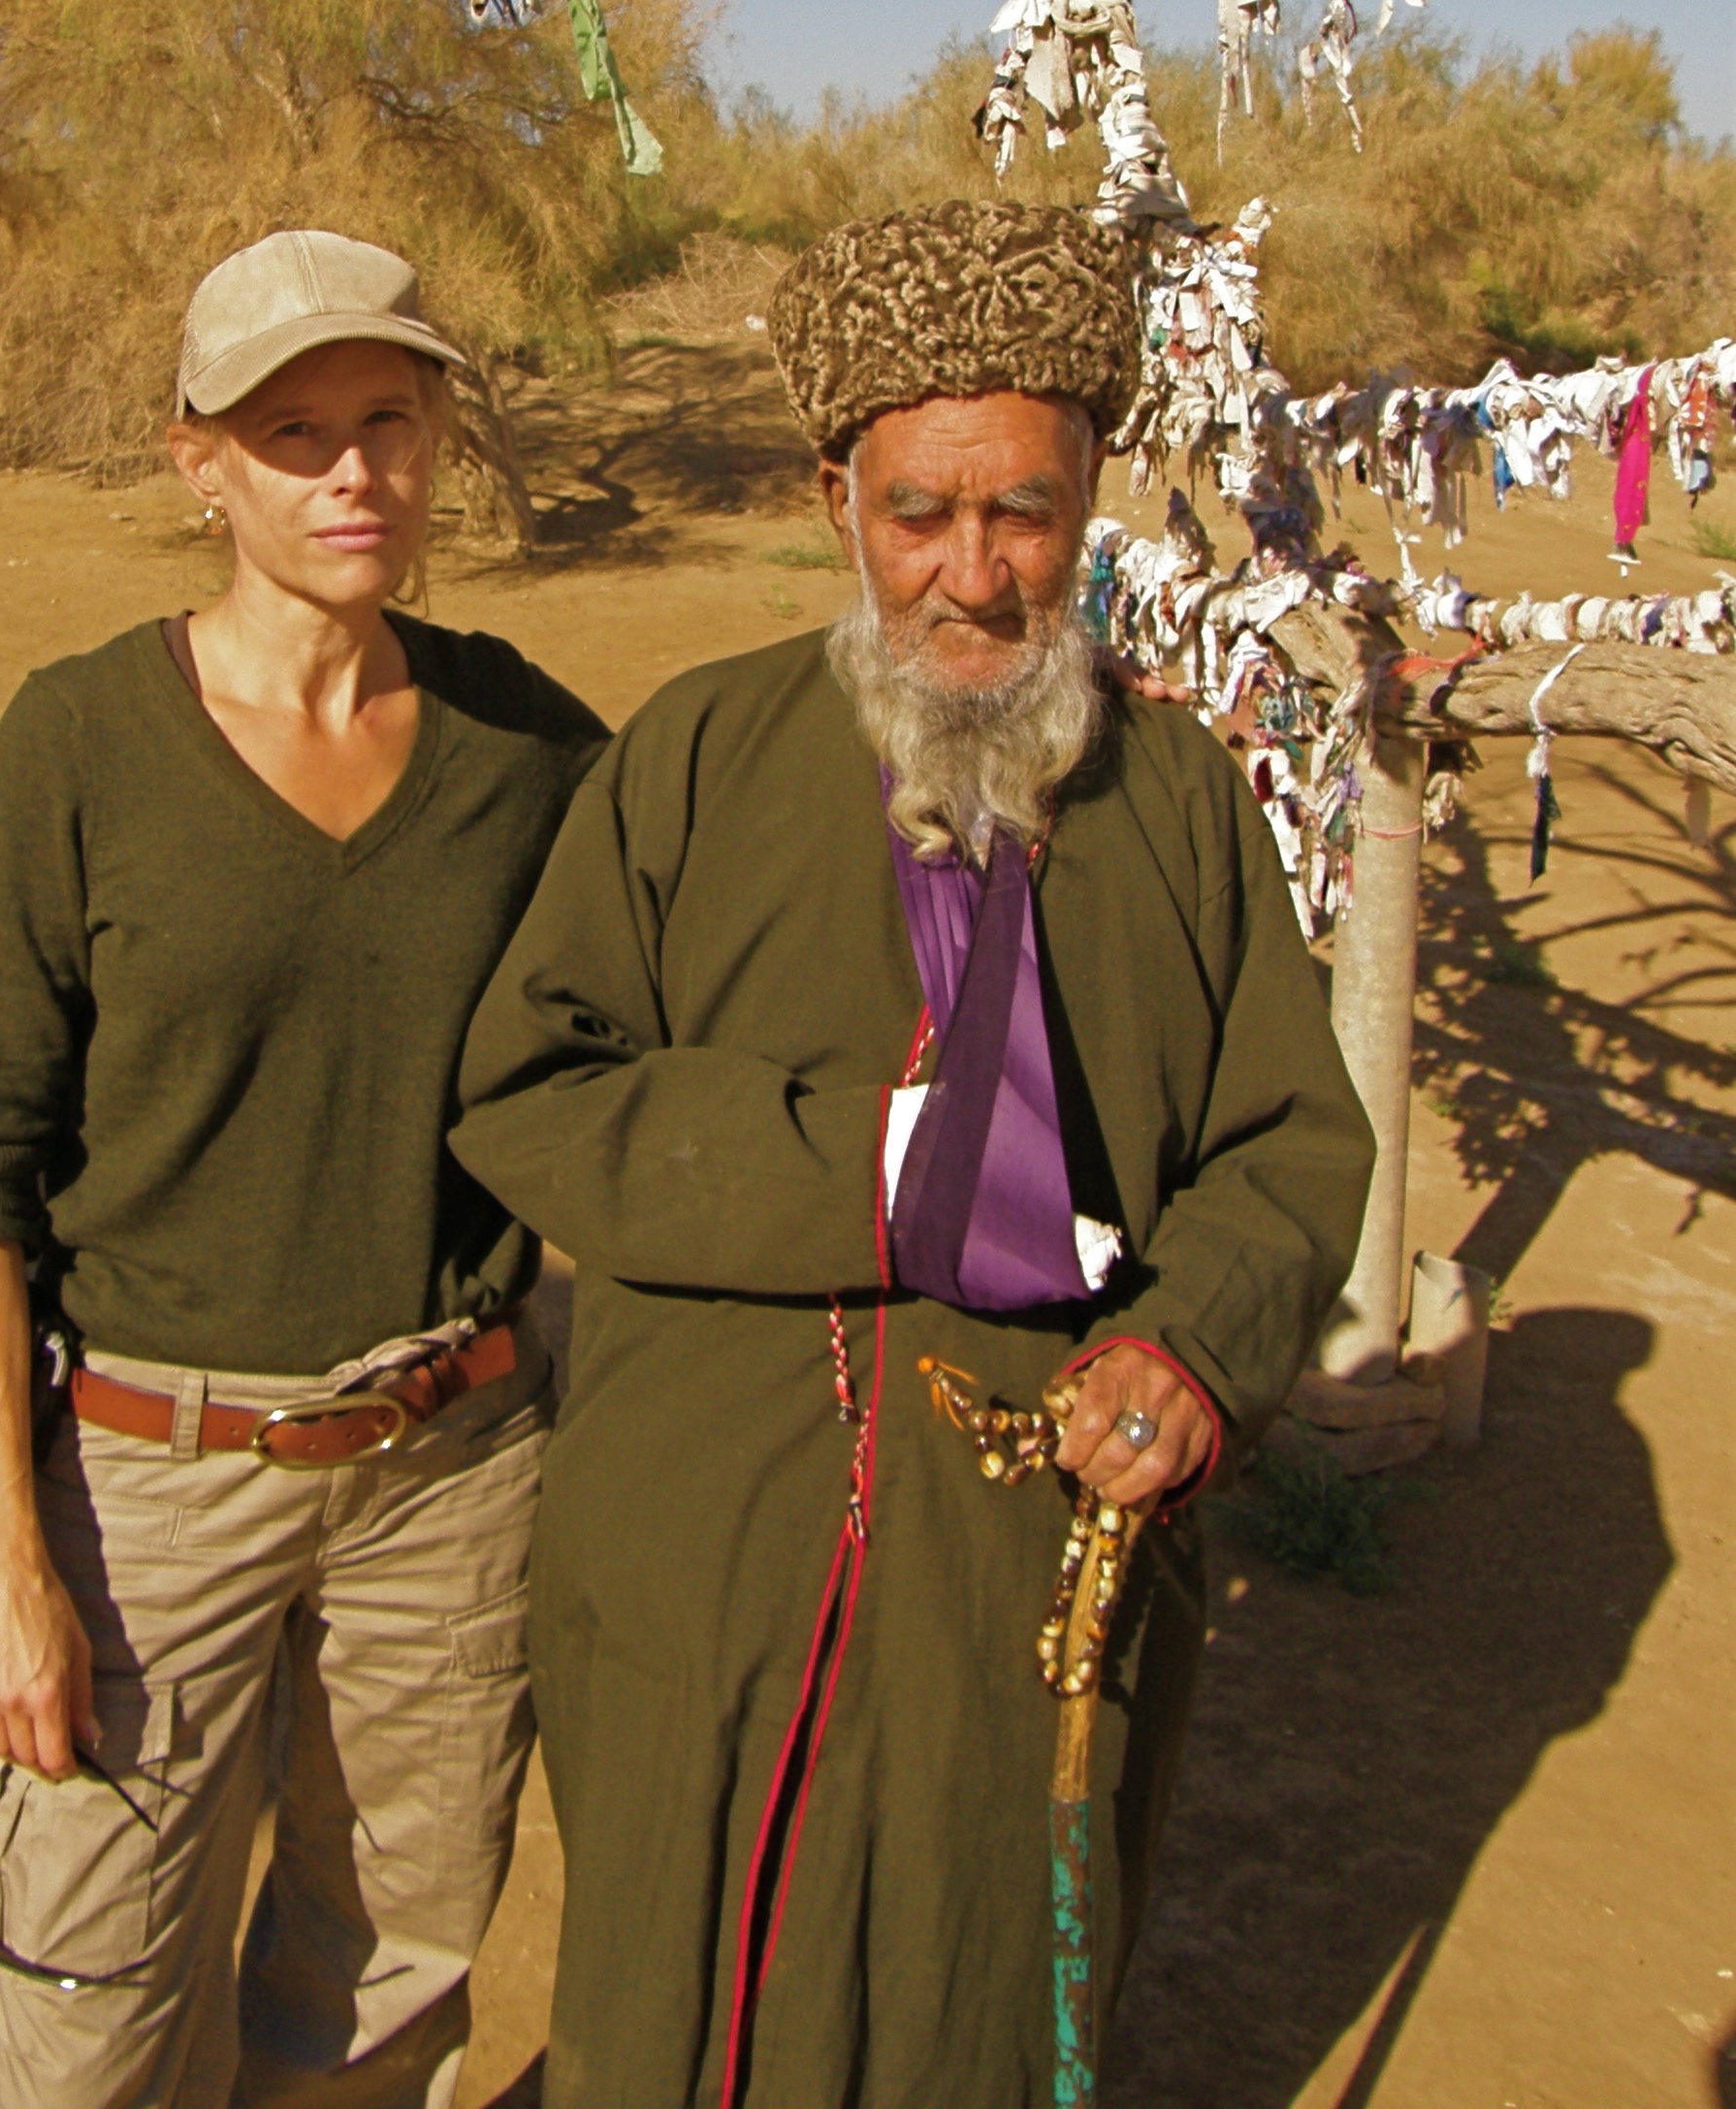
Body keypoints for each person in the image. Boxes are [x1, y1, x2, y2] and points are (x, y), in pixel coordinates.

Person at [450, 199, 1376, 2107]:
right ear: (833, 497)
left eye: (1021, 511)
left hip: (1026, 1560)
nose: (972, 573)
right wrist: (872, 1175)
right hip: (701, 1549)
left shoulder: (1183, 805)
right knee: (671, 2003)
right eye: (917, 513)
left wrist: (1189, 1346)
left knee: (969, 2010)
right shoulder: (696, 756)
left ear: (1089, 493)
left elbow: (1289, 1142)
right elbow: (532, 1082)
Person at [0, 230, 606, 2109]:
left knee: (379, 1996)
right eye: (293, 431)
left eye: (388, 418)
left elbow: (698, 949)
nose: (352, 471)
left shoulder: (522, 742)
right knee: (85, 2020)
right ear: (196, 459)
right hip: (152, 1491)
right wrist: (0, 1560)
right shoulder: (77, 741)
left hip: (449, 1474)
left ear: (440, 435)